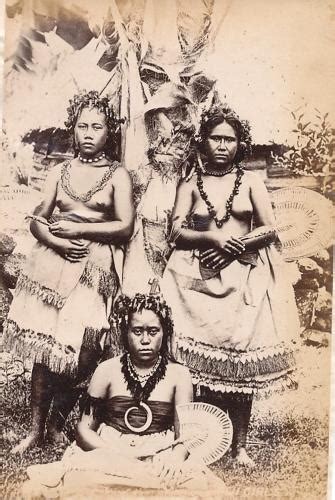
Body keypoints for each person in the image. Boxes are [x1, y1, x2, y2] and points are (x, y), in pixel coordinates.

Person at [162, 102, 299, 466]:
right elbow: (175, 230)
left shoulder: (252, 181)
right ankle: (199, 439)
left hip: (243, 277)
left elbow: (268, 228)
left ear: (241, 144)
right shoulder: (191, 184)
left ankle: (239, 446)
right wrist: (213, 241)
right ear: (203, 142)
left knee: (239, 361)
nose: (223, 145)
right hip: (196, 278)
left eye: (230, 139)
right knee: (196, 362)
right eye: (216, 138)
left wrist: (235, 247)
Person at [3, 90, 135, 453]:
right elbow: (38, 219)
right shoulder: (59, 171)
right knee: (46, 350)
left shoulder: (117, 175)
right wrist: (59, 242)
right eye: (82, 126)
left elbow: (124, 226)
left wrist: (78, 230)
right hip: (51, 263)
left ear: (110, 131)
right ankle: (35, 430)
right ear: (72, 130)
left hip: (94, 267)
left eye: (97, 126)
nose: (89, 133)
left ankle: (60, 423)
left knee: (87, 351)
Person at [22, 293, 225, 497]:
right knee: (80, 481)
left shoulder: (179, 375)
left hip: (159, 452)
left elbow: (184, 437)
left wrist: (174, 458)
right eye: (137, 331)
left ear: (165, 332)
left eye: (153, 331)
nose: (145, 340)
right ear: (125, 333)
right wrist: (114, 453)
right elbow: (84, 429)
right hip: (110, 450)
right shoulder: (106, 370)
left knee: (193, 484)